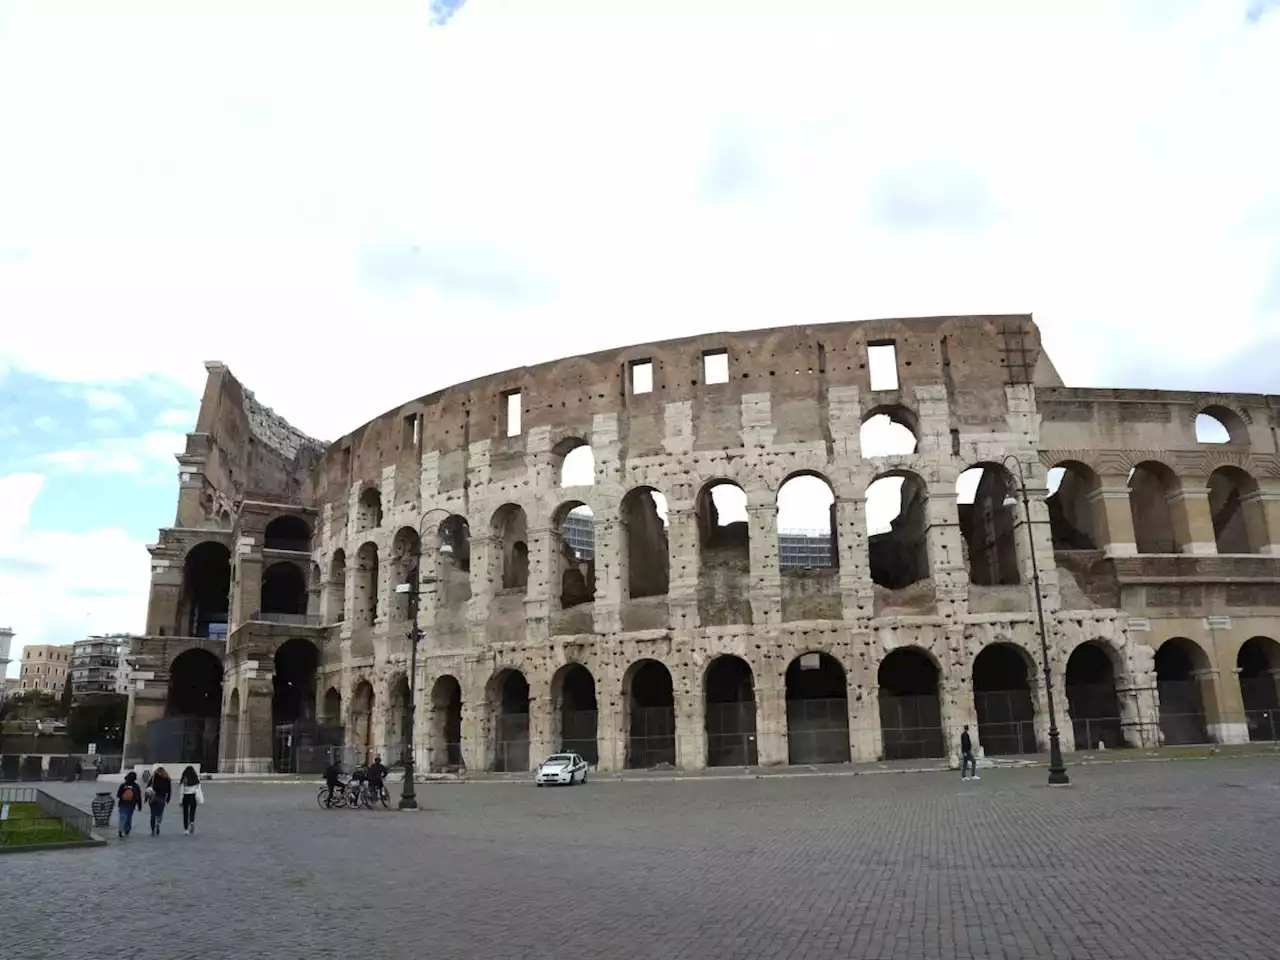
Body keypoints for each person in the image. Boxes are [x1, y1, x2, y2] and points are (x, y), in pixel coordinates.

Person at [116, 772, 143, 839]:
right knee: (128, 818)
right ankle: (127, 830)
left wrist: (123, 797)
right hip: (131, 804)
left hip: (122, 804)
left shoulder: (123, 785)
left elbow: (118, 794)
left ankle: (120, 829)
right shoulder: (136, 786)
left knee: (122, 817)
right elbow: (138, 797)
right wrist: (139, 806)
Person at [179, 765, 204, 835]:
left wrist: (180, 801)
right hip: (193, 796)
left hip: (186, 796)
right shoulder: (195, 779)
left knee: (185, 813)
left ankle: (186, 829)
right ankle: (192, 822)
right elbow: (198, 789)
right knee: (192, 811)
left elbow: (181, 791)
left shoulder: (184, 779)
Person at [149, 766, 172, 835]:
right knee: (160, 813)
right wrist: (168, 799)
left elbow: (148, 787)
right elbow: (169, 790)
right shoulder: (167, 779)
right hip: (162, 798)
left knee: (153, 814)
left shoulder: (153, 778)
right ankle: (158, 823)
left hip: (153, 797)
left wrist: (146, 798)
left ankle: (153, 830)